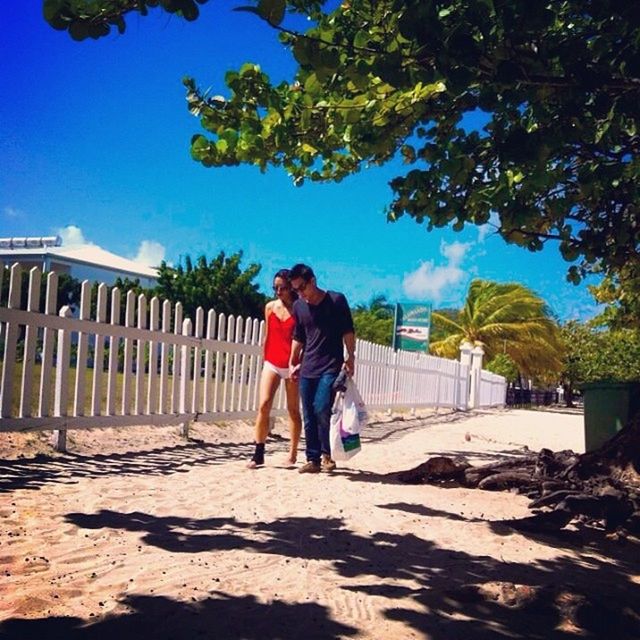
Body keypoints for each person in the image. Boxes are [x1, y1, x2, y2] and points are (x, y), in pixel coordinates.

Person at [288, 264, 355, 474]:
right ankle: (313, 459)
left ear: (313, 281)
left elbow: (348, 331)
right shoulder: (299, 307)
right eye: (295, 290)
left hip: (330, 365)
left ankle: (328, 455)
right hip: (308, 367)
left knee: (321, 406)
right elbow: (299, 336)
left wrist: (350, 356)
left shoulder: (336, 301)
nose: (299, 293)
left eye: (301, 288)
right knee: (308, 413)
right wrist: (293, 361)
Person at [248, 269, 302, 468]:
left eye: (283, 288)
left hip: (292, 364)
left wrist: (298, 363)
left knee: (293, 410)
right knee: (264, 404)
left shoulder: (300, 308)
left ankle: (293, 453)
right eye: (275, 288)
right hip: (272, 361)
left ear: (291, 288)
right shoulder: (270, 307)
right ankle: (258, 452)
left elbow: (303, 338)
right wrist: (265, 356)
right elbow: (268, 335)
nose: (279, 291)